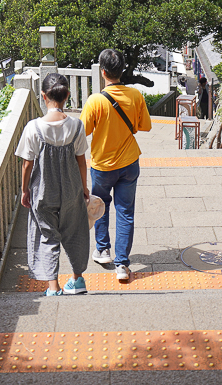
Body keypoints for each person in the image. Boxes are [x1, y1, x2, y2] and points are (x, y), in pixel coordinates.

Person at [80, 49, 152, 283]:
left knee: (99, 204)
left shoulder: (95, 100)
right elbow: (145, 126)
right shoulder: (135, 95)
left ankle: (103, 250)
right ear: (122, 71)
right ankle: (122, 264)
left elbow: (83, 132)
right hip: (129, 162)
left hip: (102, 165)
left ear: (103, 72)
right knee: (125, 212)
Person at [16, 73, 91, 295]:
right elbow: (81, 162)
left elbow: (26, 165)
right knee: (76, 230)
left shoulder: (33, 128)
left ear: (43, 95)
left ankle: (53, 288)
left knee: (46, 234)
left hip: (43, 191)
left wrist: (24, 190)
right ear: (67, 95)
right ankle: (77, 280)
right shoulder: (76, 126)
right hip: (71, 189)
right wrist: (84, 188)